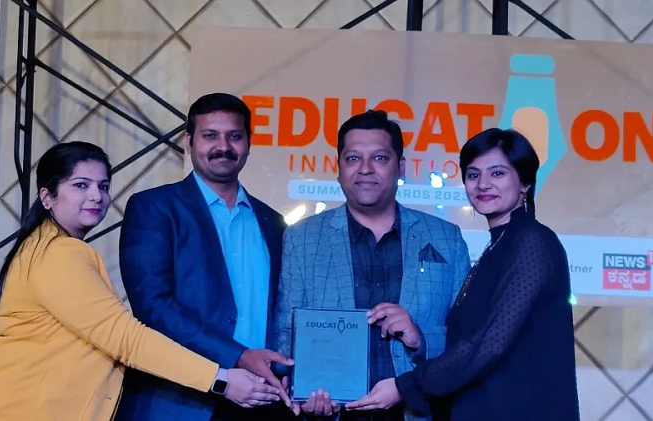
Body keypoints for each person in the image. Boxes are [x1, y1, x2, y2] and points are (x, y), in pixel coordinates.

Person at [0, 142, 281, 421]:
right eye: (81, 185)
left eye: (103, 186)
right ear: (47, 197)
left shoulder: (45, 245)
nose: (96, 196)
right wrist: (220, 380)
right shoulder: (61, 253)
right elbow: (127, 339)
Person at [344, 128, 580, 420]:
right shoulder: (498, 246)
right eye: (473, 174)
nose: (483, 184)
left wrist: (405, 386)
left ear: (525, 182)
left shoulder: (531, 241)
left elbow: (489, 344)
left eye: (497, 173)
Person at [275, 110, 471, 421]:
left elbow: (469, 339)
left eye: (379, 158)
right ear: (338, 168)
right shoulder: (302, 238)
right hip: (334, 414)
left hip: (419, 412)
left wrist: (421, 339)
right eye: (353, 158)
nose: (365, 169)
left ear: (400, 167)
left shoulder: (445, 238)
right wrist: (300, 386)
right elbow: (287, 331)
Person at [114, 93, 296, 421]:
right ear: (189, 142)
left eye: (235, 136)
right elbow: (153, 306)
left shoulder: (273, 222)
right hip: (177, 402)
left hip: (261, 401)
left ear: (249, 144)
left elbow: (283, 312)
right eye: (210, 135)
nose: (223, 146)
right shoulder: (154, 208)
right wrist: (238, 356)